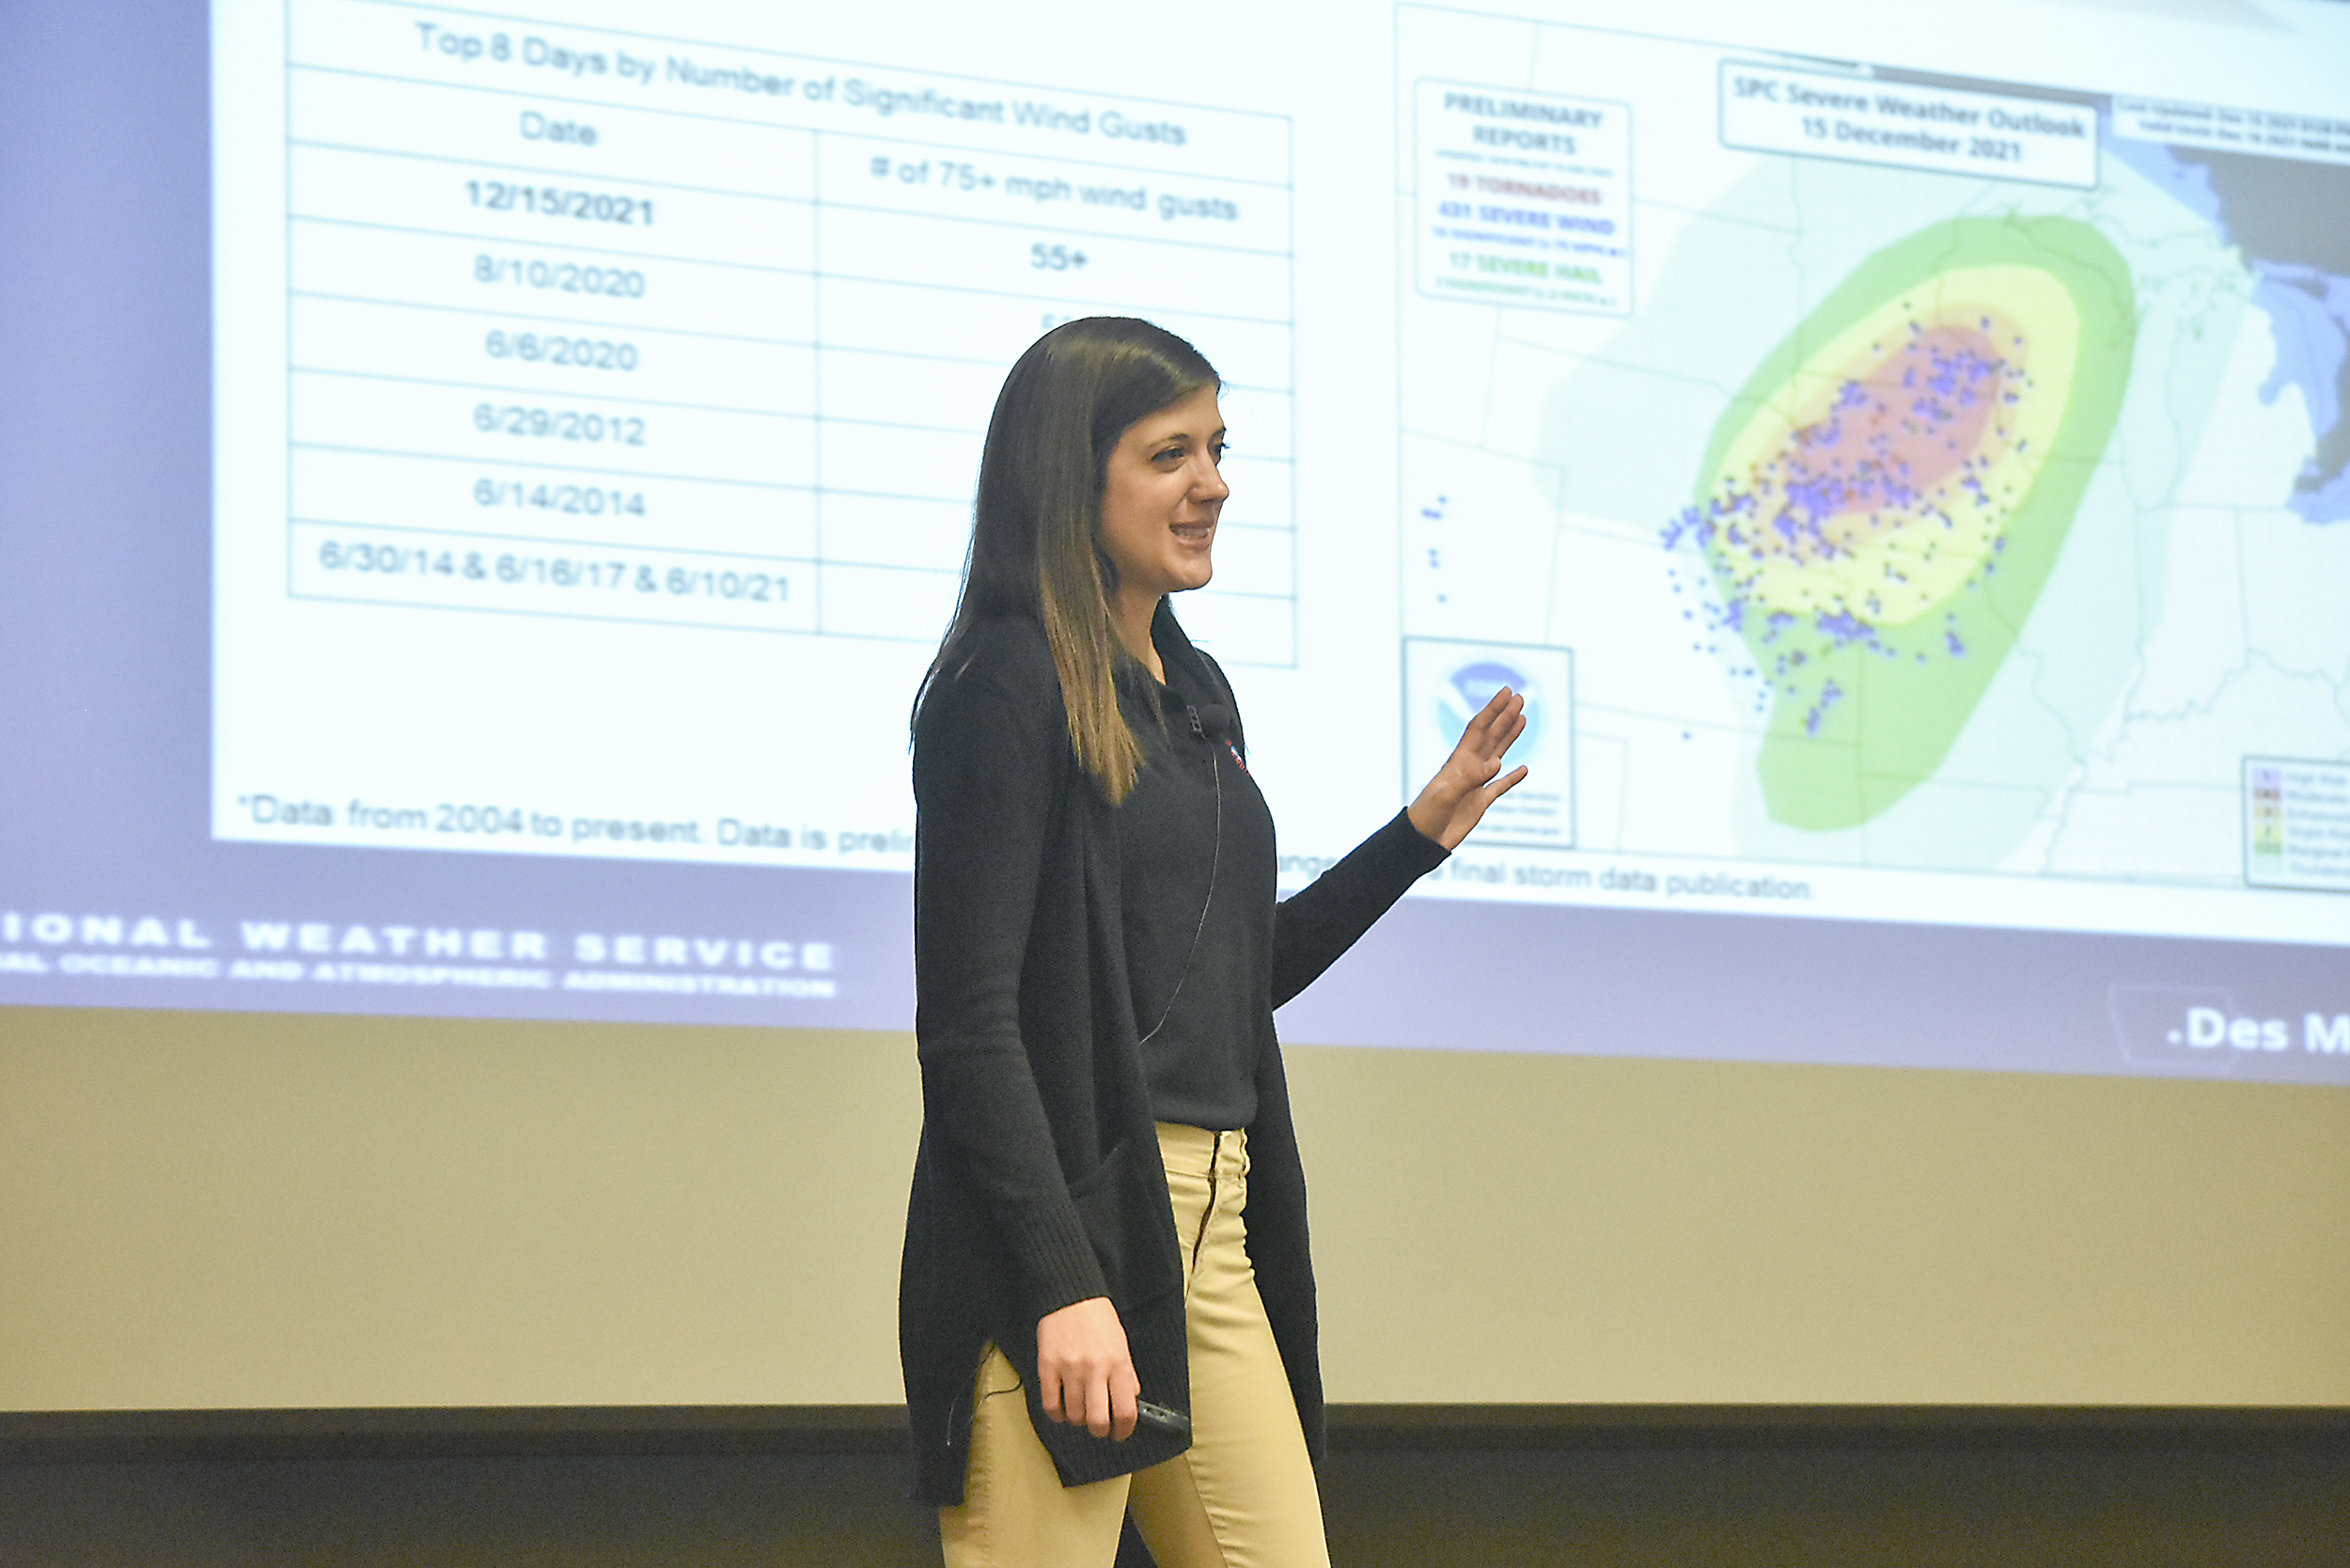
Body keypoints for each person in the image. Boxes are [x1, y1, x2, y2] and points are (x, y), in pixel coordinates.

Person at [902, 316, 1526, 1567]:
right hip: (1067, 1234)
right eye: (1170, 454)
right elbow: (970, 1026)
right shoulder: (1005, 687)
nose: (1214, 485)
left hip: (1213, 1231)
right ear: (1070, 479)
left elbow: (1234, 982)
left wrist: (1413, 840)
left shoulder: (1193, 695)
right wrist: (1063, 1282)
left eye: (1219, 450)